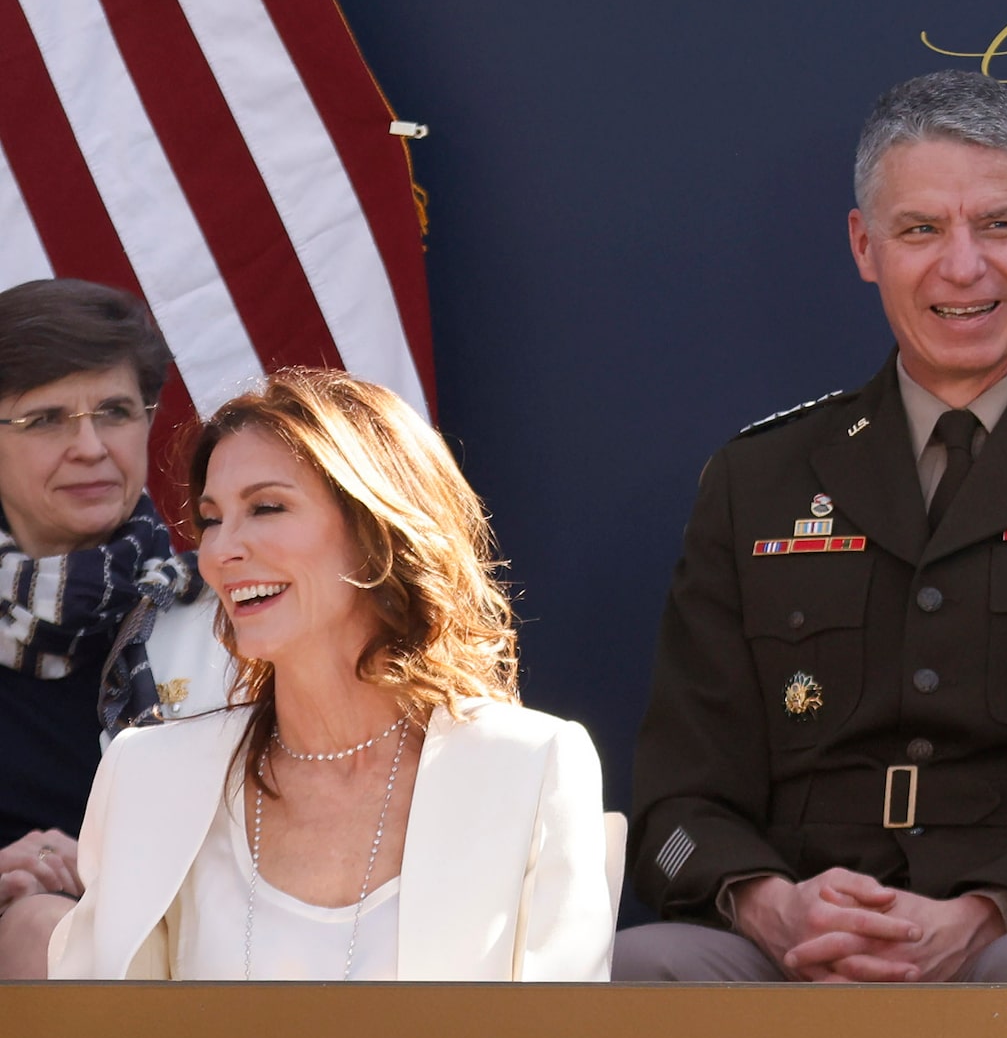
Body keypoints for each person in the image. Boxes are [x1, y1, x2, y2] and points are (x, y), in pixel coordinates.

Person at [623, 71, 1007, 982]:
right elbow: (673, 808)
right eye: (920, 230)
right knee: (644, 968)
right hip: (801, 934)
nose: (963, 266)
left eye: (997, 225)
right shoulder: (757, 479)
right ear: (865, 246)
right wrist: (771, 905)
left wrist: (992, 911)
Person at [49, 368, 610, 979]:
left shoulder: (532, 767)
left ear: (378, 532)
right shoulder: (145, 774)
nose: (219, 551)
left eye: (266, 507)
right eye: (211, 518)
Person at [0, 279, 232, 978]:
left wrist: (111, 873)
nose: (91, 446)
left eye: (115, 411)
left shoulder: (222, 609)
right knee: (46, 930)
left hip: (202, 945)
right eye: (45, 420)